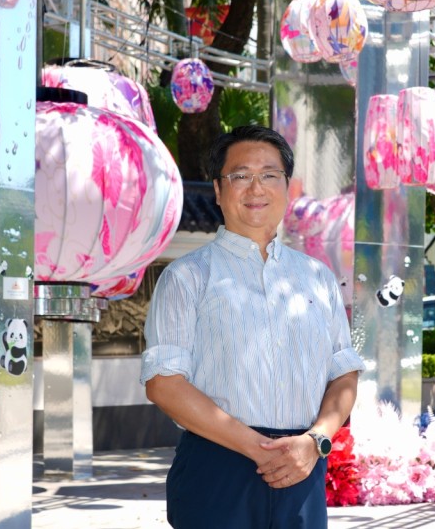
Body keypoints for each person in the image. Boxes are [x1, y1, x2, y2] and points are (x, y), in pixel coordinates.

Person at [141, 125, 364, 528]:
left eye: (269, 175)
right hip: (217, 467)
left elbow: (343, 373)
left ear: (287, 186)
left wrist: (316, 441)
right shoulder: (187, 276)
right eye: (241, 175)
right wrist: (260, 449)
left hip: (302, 464)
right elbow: (164, 382)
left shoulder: (318, 277)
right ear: (218, 189)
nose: (256, 187)